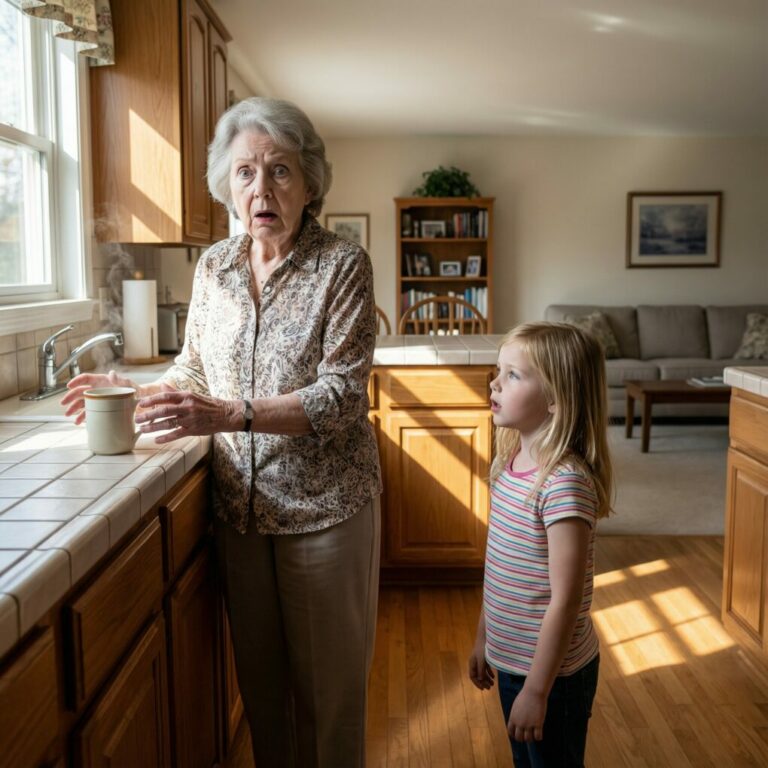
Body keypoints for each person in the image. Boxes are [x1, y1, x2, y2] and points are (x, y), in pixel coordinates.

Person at [62, 97, 382, 768]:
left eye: (280, 171)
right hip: (240, 513)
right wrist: (134, 389)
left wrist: (229, 415)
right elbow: (196, 367)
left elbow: (342, 396)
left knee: (329, 704)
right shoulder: (214, 268)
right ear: (226, 186)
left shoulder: (341, 266)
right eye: (245, 172)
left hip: (325, 510)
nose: (261, 189)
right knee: (264, 698)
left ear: (311, 183)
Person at [468, 322, 613, 768]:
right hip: (513, 661)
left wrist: (536, 689)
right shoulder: (509, 463)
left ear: (555, 399)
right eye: (499, 370)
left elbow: (566, 600)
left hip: (553, 676)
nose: (494, 381)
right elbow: (501, 571)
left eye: (513, 375)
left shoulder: (564, 485)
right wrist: (483, 638)